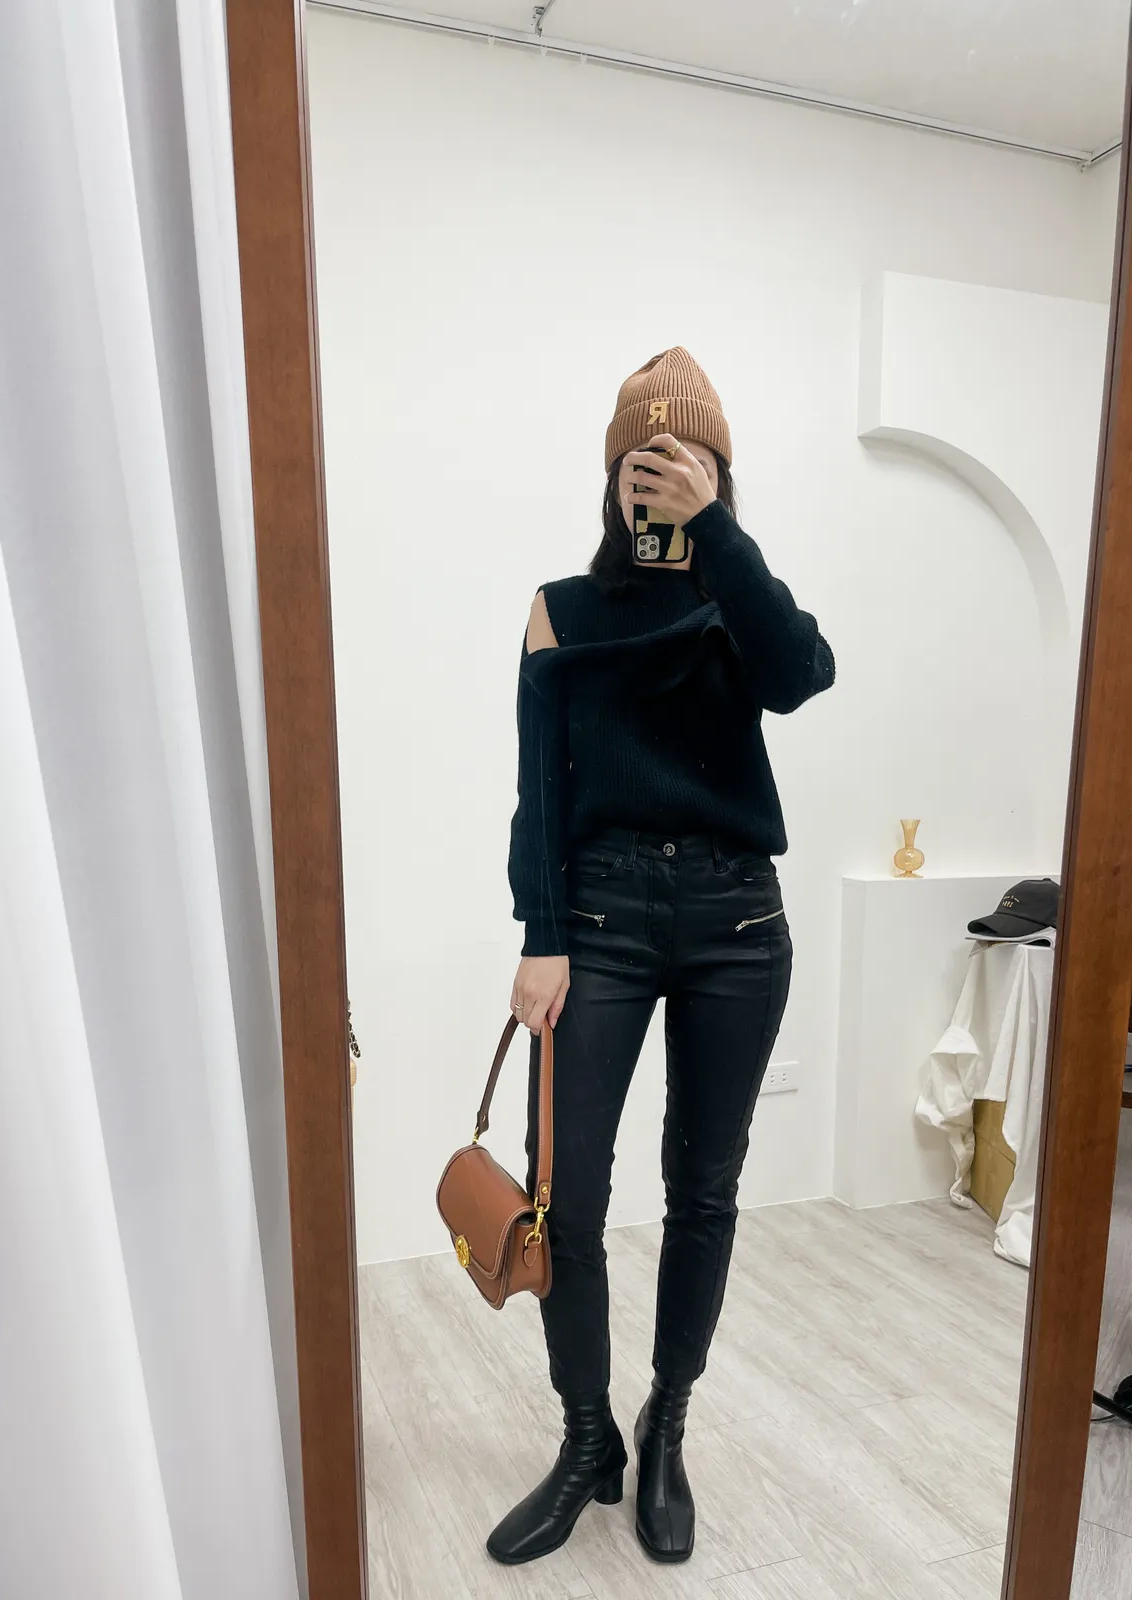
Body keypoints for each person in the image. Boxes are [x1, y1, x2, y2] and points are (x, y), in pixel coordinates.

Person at [488, 348, 834, 1567]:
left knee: (705, 1187)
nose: (661, 481)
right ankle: (587, 1435)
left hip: (737, 922)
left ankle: (666, 1421)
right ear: (612, 477)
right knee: (565, 1188)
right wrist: (540, 934)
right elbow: (538, 785)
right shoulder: (561, 608)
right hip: (601, 919)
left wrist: (717, 535)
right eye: (643, 464)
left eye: (687, 462)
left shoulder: (739, 600)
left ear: (720, 474)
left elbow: (801, 675)